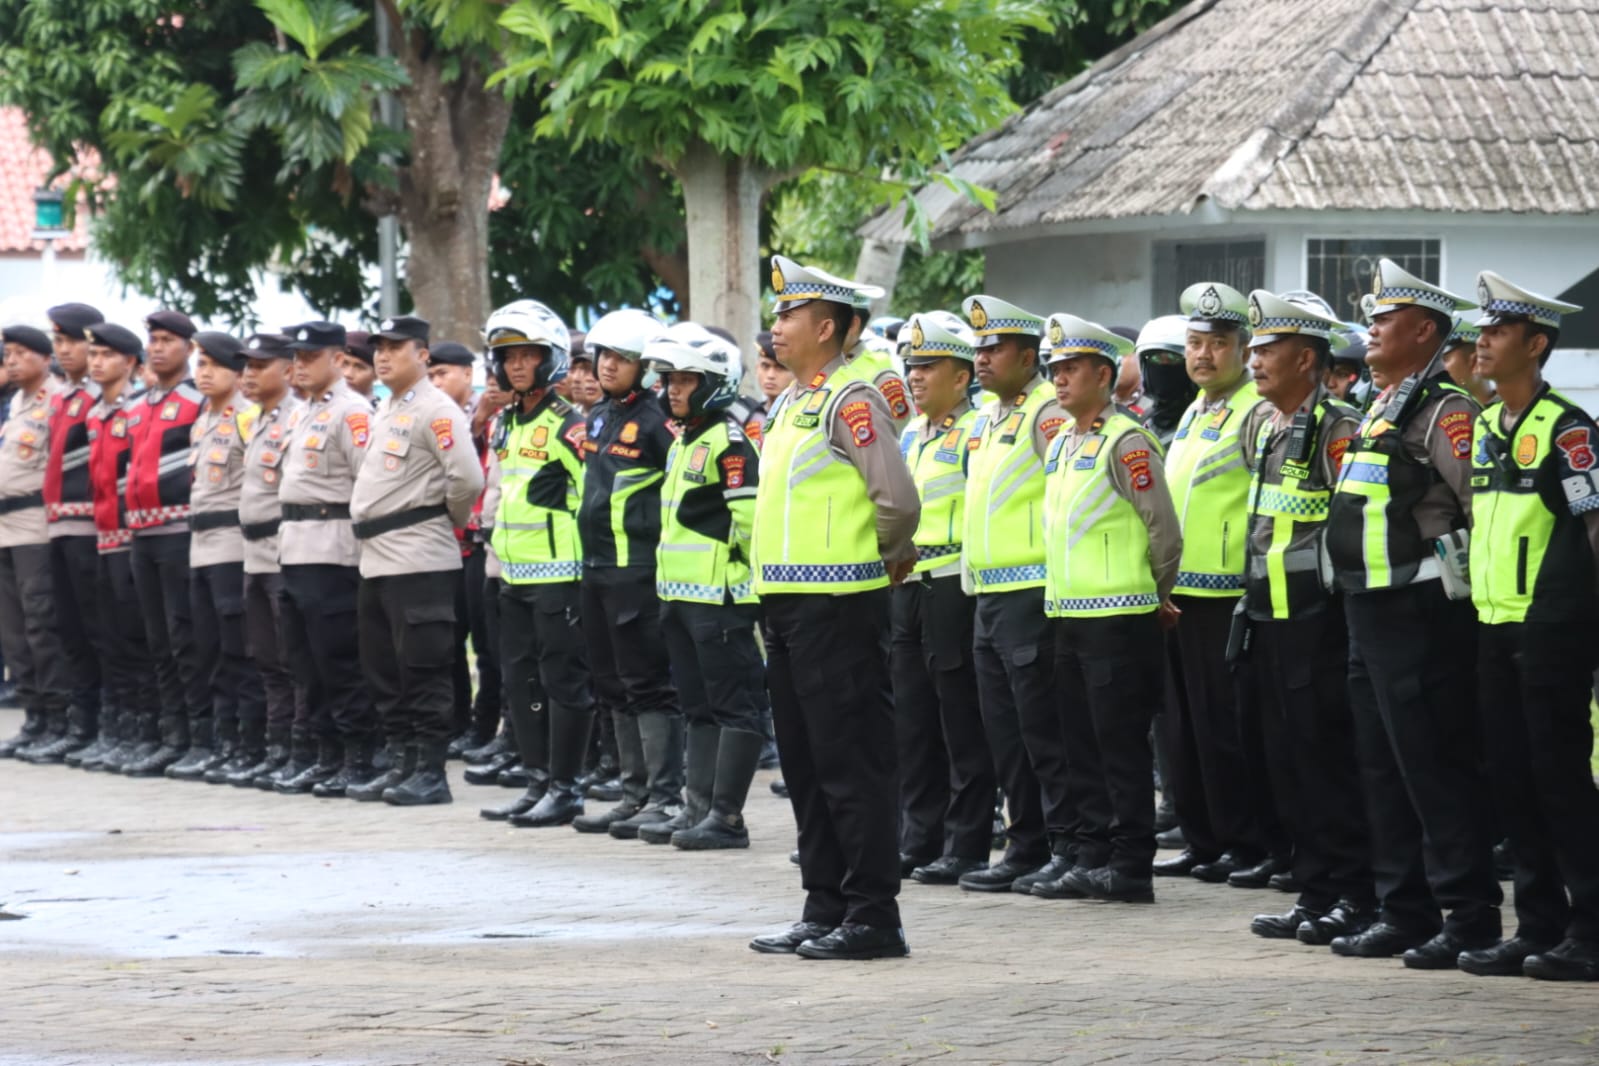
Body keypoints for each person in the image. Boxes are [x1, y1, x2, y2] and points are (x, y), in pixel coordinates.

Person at [1324, 259, 1503, 967]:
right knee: (1382, 766)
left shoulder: (1445, 410)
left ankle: (1469, 917)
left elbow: (1479, 509)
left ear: (1424, 330)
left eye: (1384, 318)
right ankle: (1403, 910)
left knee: (1434, 766)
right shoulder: (1383, 403)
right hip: (1368, 607)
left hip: (1420, 609)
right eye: (1369, 318)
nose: (1369, 329)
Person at [748, 255, 919, 961]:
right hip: (788, 604)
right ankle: (824, 905)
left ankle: (874, 914)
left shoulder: (852, 399)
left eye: (789, 314)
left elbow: (896, 501)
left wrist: (884, 557)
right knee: (807, 765)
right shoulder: (792, 402)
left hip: (838, 602)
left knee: (852, 764)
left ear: (826, 327)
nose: (777, 325)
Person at [1459, 272, 1599, 981]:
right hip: (1493, 625)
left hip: (1551, 629)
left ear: (1535, 345)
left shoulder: (1567, 430)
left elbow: (1594, 526)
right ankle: (1537, 927)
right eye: (1482, 331)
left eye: (1498, 332)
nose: (1482, 343)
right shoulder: (1487, 425)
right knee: (1511, 783)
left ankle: (1590, 931)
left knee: (1560, 782)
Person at [1235, 290, 1374, 945]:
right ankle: (1315, 891)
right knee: (1287, 762)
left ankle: (1354, 894)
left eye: (1269, 349)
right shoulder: (1268, 424)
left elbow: (1350, 525)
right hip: (1269, 616)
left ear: (1307, 358)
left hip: (1318, 621)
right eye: (1255, 348)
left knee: (1327, 761)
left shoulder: (1337, 427)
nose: (1255, 360)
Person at [1034, 313, 1180, 903]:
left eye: (1071, 369)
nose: (1060, 379)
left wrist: (1156, 593)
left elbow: (1163, 530)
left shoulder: (1126, 441)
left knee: (1119, 746)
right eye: (1055, 369)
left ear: (1103, 375)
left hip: (1118, 617)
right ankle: (1092, 855)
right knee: (1080, 745)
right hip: (1069, 614)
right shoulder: (1064, 442)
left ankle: (1131, 865)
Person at [1153, 283, 1277, 886]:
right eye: (1195, 343)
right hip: (1181, 592)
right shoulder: (1196, 410)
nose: (1203, 355)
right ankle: (1201, 838)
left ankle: (1242, 840)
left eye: (1218, 343)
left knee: (1223, 726)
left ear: (1244, 350)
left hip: (1226, 592)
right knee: (1183, 729)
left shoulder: (1256, 411)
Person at [956, 293, 1074, 895]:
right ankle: (1024, 843)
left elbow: (1066, 494)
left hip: (1031, 590)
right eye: (978, 349)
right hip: (988, 592)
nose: (981, 359)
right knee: (1004, 733)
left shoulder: (1047, 413)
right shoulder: (985, 417)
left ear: (1029, 357)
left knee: (1041, 731)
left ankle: (1062, 843)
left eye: (994, 349)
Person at [639, 323, 767, 849]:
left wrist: (742, 584)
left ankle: (728, 818)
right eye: (670, 379)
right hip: (680, 597)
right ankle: (697, 810)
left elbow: (750, 524)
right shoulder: (685, 441)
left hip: (720, 600)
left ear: (715, 384)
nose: (673, 389)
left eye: (686, 380)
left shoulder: (730, 443)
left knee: (734, 706)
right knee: (697, 706)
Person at [349, 316, 483, 806]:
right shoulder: (386, 408)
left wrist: (441, 519)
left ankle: (429, 772)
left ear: (423, 355)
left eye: (395, 347)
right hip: (376, 558)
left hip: (418, 556)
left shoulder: (436, 409)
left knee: (423, 668)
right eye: (378, 348)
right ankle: (401, 763)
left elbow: (467, 479)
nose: (382, 356)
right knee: (385, 670)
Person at [570, 308, 686, 840]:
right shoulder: (599, 415)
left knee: (648, 684)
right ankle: (632, 793)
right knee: (611, 683)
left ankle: (664, 797)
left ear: (646, 365)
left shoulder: (660, 421)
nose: (608, 365)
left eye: (622, 358)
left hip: (637, 570)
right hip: (596, 569)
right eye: (604, 355)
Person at [478, 300, 595, 827]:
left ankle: (566, 787)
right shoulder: (504, 424)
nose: (517, 365)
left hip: (560, 576)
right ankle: (536, 781)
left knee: (563, 682)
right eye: (508, 357)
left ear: (549, 359)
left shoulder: (570, 426)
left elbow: (593, 497)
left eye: (527, 355)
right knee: (520, 682)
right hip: (513, 574)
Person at [892, 314, 997, 884]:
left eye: (928, 366)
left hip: (953, 584)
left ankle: (967, 843)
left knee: (959, 719)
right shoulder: (912, 432)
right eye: (912, 366)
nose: (915, 376)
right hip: (908, 585)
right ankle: (919, 838)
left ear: (961, 377)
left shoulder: (977, 431)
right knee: (914, 722)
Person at [273, 320, 380, 796]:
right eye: (295, 357)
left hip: (333, 550)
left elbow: (367, 483)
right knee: (305, 661)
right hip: (295, 545)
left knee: (338, 659)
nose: (298, 366)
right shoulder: (303, 412)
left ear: (337, 360)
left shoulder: (352, 411)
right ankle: (326, 753)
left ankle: (358, 755)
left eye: (309, 357)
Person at [174, 332, 266, 783]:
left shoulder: (248, 418)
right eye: (200, 364)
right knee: (207, 648)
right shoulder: (202, 419)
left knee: (238, 650)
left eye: (213, 364)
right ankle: (223, 740)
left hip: (232, 545)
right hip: (201, 545)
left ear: (237, 372)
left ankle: (250, 744)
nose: (203, 372)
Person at [121, 311, 207, 778]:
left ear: (189, 348)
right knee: (156, 641)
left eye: (167, 340)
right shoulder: (137, 404)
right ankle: (172, 736)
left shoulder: (198, 400)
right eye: (152, 340)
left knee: (184, 639)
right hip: (141, 533)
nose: (157, 348)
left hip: (178, 532)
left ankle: (201, 736)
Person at [80, 323, 158, 773]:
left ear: (130, 362)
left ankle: (147, 730)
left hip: (133, 537)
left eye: (106, 355)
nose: (96, 363)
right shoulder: (96, 414)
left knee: (136, 639)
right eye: (93, 355)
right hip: (103, 537)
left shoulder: (137, 410)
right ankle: (122, 728)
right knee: (109, 639)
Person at [232, 332, 302, 787]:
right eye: (247, 366)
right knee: (265, 656)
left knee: (291, 657)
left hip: (283, 550)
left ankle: (299, 748)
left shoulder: (297, 417)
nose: (249, 374)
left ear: (288, 370)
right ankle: (277, 748)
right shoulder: (255, 419)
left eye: (260, 366)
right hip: (253, 553)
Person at [0, 325, 70, 760]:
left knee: (42, 623)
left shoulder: (56, 400)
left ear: (46, 358)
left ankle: (59, 717)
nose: (11, 360)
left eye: (21, 353)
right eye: (8, 353)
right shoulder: (17, 403)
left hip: (36, 524)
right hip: (6, 525)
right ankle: (34, 717)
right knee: (13, 630)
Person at [41, 302, 107, 763]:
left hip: (90, 528)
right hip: (58, 524)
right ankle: (80, 723)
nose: (62, 350)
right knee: (67, 628)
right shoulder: (63, 396)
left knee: (97, 628)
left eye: (71, 341)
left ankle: (106, 724)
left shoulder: (101, 399)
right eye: (58, 341)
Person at [426, 341, 487, 751]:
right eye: (430, 375)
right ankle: (456, 723)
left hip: (477, 545)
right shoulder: (429, 415)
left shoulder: (486, 414)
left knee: (485, 646)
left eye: (443, 373)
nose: (436, 382)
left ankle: (484, 728)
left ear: (468, 373)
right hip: (443, 546)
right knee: (447, 644)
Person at [745, 331, 794, 445]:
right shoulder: (750, 414)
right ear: (756, 368)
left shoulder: (798, 414)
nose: (770, 375)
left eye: (780, 368)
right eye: (765, 366)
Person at [1441, 317, 1493, 406]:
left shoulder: (1510, 409)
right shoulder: (1436, 408)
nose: (1436, 368)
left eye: (1444, 360)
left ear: (1476, 362)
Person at [342, 331, 378, 408]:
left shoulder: (378, 413)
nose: (348, 374)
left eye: (359, 367)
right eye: (344, 364)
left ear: (376, 374)